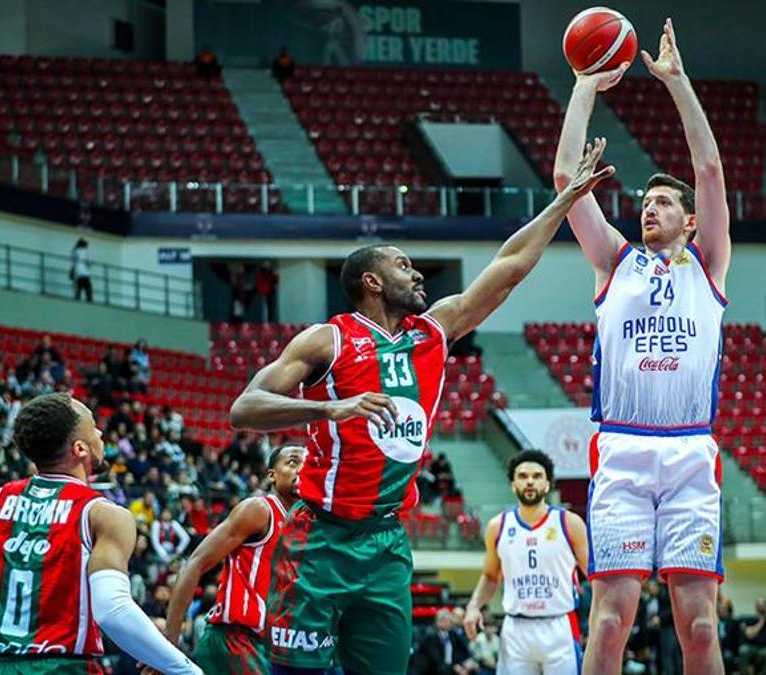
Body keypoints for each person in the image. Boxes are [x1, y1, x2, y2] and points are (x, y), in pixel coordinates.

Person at [229, 141, 613, 674]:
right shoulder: (328, 340)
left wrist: (565, 202)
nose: (417, 276)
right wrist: (329, 411)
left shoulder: (433, 332)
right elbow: (243, 408)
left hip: (386, 542)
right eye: (403, 266)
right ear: (372, 281)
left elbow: (509, 266)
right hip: (319, 535)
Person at [555, 19, 732, 675]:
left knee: (702, 630)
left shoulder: (708, 262)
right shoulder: (613, 260)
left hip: (689, 452)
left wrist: (677, 82)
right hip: (623, 452)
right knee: (606, 627)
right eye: (643, 200)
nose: (646, 207)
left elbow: (708, 167)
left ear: (689, 219)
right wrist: (582, 87)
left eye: (661, 202)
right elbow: (564, 179)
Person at [0, 392, 201, 674]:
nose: (101, 432)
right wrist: (183, 668)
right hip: (61, 666)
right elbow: (113, 609)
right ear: (80, 449)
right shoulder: (102, 515)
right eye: (93, 427)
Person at [164, 445, 307, 674]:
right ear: (272, 474)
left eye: (308, 465)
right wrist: (168, 643)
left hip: (273, 647)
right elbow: (195, 563)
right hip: (235, 640)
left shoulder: (309, 528)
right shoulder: (260, 509)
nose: (301, 469)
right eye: (292, 462)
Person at [463, 450, 589, 673]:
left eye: (537, 476)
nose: (530, 481)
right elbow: (491, 577)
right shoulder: (497, 526)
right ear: (513, 485)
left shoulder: (569, 523)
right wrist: (474, 607)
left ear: (548, 484)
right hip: (515, 628)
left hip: (559, 625)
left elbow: (594, 577)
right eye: (522, 476)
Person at [418, 609, 477, 675]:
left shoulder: (453, 635)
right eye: (448, 620)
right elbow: (436, 661)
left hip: (451, 669)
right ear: (439, 622)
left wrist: (467, 662)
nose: (451, 623)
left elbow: (462, 651)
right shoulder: (430, 637)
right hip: (435, 670)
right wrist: (454, 668)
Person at [737, 597, 766, 675]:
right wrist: (761, 621)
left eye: (763, 605)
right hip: (752, 647)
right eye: (759, 605)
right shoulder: (749, 620)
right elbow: (750, 635)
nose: (761, 607)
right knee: (743, 650)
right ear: (756, 607)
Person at [718, 594, 740, 674]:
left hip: (727, 649)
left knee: (728, 656)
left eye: (723, 609)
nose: (721, 611)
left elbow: (733, 640)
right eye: (720, 609)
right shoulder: (715, 622)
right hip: (715, 648)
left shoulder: (733, 623)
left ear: (728, 610)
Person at [72, 238, 92, 302]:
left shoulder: (75, 251)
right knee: (88, 288)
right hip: (86, 273)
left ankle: (77, 298)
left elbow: (73, 262)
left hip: (78, 273)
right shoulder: (86, 252)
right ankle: (89, 299)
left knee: (79, 287)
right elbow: (89, 262)